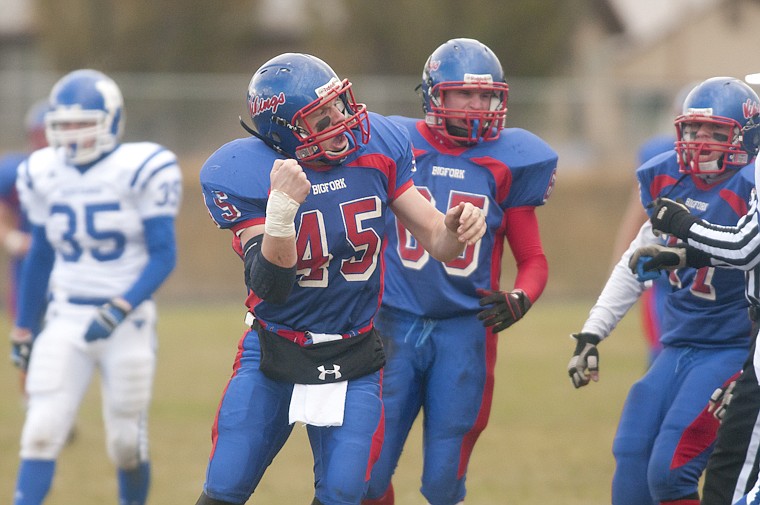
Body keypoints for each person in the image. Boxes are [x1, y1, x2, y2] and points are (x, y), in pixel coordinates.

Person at [195, 52, 486, 505]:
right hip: (276, 348)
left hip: (353, 354)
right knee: (225, 486)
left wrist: (455, 229)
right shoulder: (245, 173)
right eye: (321, 116)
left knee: (345, 492)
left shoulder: (379, 147)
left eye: (339, 105)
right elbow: (269, 285)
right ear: (284, 132)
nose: (342, 120)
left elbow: (438, 241)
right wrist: (281, 212)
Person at [360, 38, 558, 505]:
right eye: (463, 94)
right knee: (366, 476)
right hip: (392, 326)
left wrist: (521, 298)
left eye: (485, 95)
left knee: (443, 483)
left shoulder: (509, 161)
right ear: (434, 96)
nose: (477, 106)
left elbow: (534, 259)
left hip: (465, 332)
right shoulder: (395, 143)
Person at [567, 76, 760, 505]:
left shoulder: (752, 186)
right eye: (694, 130)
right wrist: (592, 331)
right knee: (631, 456)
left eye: (716, 132)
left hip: (730, 351)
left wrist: (749, 373)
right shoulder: (668, 178)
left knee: (671, 470)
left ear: (746, 137)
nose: (701, 141)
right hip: (675, 347)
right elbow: (636, 261)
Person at [9, 69, 183, 505]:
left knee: (125, 443)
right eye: (62, 124)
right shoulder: (42, 171)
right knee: (41, 430)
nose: (71, 134)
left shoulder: (141, 168)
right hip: (66, 316)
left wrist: (120, 306)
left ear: (111, 121)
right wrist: (25, 327)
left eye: (82, 122)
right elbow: (40, 257)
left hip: (127, 320)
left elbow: (164, 254)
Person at [629, 98, 760, 505]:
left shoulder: (746, 177)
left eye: (716, 132)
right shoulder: (666, 170)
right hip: (720, 341)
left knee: (732, 480)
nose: (702, 142)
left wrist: (684, 227)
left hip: (730, 342)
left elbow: (745, 248)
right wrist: (688, 255)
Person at [0, 100, 48, 322]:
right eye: (41, 133)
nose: (45, 140)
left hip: (72, 265)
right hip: (29, 265)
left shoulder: (85, 173)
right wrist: (12, 239)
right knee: (28, 337)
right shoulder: (15, 171)